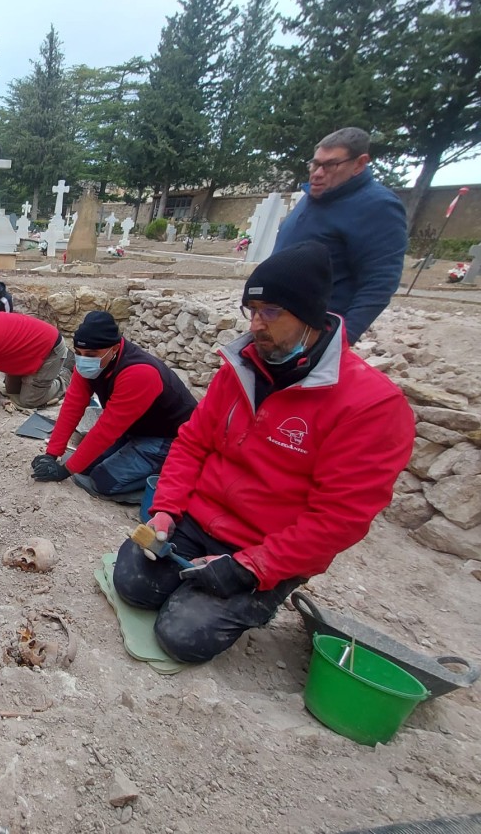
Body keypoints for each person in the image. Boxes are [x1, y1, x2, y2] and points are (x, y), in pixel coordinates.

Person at [111, 241, 414, 664]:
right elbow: (192, 443)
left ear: (309, 314)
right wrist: (165, 510)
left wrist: (252, 566)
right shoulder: (241, 370)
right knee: (132, 583)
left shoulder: (370, 405)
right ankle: (198, 576)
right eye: (252, 311)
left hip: (265, 544)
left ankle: (263, 592)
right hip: (198, 521)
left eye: (272, 312)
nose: (257, 325)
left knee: (182, 636)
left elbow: (339, 518)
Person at [30, 311, 196, 503]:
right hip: (135, 429)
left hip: (171, 438)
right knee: (84, 467)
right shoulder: (92, 363)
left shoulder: (139, 373)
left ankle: (161, 483)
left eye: (91, 355)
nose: (83, 359)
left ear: (115, 348)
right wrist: (52, 454)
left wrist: (64, 471)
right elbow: (72, 406)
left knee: (102, 482)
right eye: (79, 353)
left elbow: (107, 430)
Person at [272, 127, 407, 343]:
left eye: (330, 165)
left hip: (313, 332)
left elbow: (379, 282)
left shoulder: (377, 206)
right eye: (315, 163)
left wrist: (340, 341)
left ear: (360, 164)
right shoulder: (315, 196)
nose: (317, 173)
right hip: (275, 323)